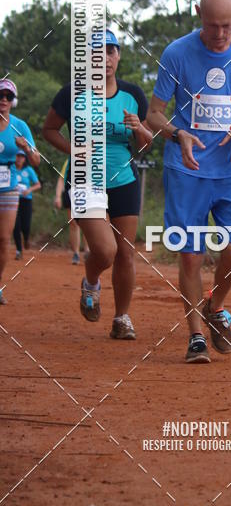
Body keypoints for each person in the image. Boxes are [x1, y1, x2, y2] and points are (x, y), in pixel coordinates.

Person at [146, 0, 231, 364]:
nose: (219, 34)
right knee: (190, 256)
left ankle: (214, 305)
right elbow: (153, 113)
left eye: (226, 25)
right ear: (199, 13)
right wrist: (176, 133)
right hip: (187, 170)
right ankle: (196, 338)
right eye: (212, 25)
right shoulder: (177, 53)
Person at [42, 29, 152, 339]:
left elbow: (145, 146)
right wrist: (73, 149)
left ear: (118, 56)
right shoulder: (71, 94)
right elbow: (49, 130)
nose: (104, 58)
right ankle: (91, 280)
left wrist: (139, 130)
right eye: (96, 52)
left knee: (126, 254)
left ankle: (121, 318)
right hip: (85, 180)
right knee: (105, 251)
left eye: (110, 51)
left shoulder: (133, 95)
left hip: (124, 180)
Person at [0, 78, 41, 304]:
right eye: (0, 96)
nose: (3, 100)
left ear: (13, 101)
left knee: (3, 238)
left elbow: (35, 161)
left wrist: (26, 147)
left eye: (8, 97)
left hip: (9, 187)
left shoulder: (20, 126)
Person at [54, 158, 88, 264]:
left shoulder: (95, 159)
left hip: (88, 193)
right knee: (73, 224)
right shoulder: (69, 160)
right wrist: (58, 196)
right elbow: (61, 179)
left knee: (89, 224)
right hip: (72, 193)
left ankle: (88, 251)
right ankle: (76, 253)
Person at [13, 150, 41, 259]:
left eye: (22, 157)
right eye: (18, 156)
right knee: (16, 226)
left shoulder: (29, 170)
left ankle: (26, 238)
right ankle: (19, 250)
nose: (20, 158)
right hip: (14, 200)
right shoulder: (11, 169)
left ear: (25, 159)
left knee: (26, 225)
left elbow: (38, 185)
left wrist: (29, 190)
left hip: (26, 201)